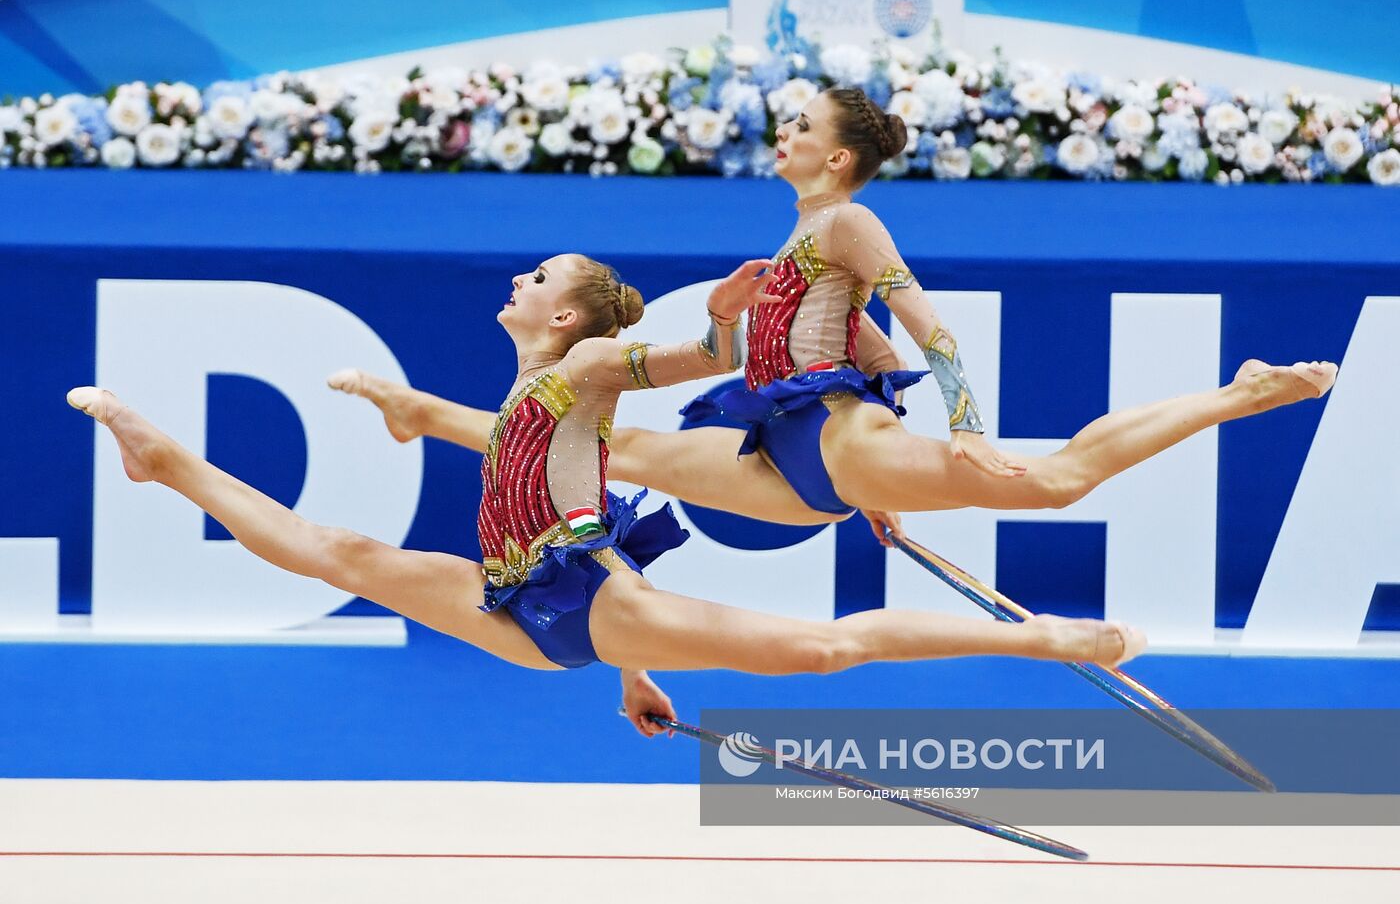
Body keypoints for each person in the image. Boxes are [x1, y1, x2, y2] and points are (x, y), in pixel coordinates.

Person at [68, 253, 1146, 740]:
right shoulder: (540, 387)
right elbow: (541, 475)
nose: (518, 284)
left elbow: (683, 364)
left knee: (823, 652)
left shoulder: (582, 370)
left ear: (571, 318)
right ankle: (166, 462)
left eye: (538, 279)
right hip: (524, 607)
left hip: (579, 602)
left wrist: (723, 325)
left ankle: (1039, 641)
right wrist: (629, 676)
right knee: (334, 553)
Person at [330, 87, 1336, 545]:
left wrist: (964, 435)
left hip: (830, 442)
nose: (784, 132)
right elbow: (870, 346)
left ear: (838, 157)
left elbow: (930, 332)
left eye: (801, 126)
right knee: (611, 448)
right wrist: (878, 468)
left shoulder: (849, 223)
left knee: (1061, 479)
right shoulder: (792, 249)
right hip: (797, 454)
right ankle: (419, 411)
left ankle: (1235, 394)